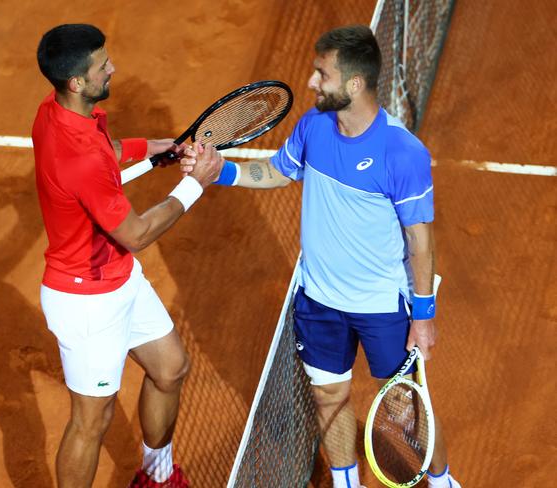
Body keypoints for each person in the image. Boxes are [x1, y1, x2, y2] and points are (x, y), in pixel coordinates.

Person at [182, 25, 461, 488]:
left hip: (381, 305)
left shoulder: (402, 153)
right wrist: (221, 173)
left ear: (354, 85)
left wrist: (424, 316)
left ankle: (443, 480)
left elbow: (420, 242)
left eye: (321, 74)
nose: (311, 83)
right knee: (329, 396)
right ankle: (345, 482)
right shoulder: (313, 125)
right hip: (321, 301)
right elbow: (275, 172)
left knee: (404, 406)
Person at [33, 24, 223, 488]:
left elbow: (108, 151)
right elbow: (136, 233)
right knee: (91, 423)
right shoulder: (77, 156)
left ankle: (156, 478)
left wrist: (156, 149)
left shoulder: (59, 111)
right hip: (87, 303)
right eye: (102, 66)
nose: (112, 67)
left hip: (117, 278)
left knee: (170, 368)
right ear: (77, 82)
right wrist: (194, 186)